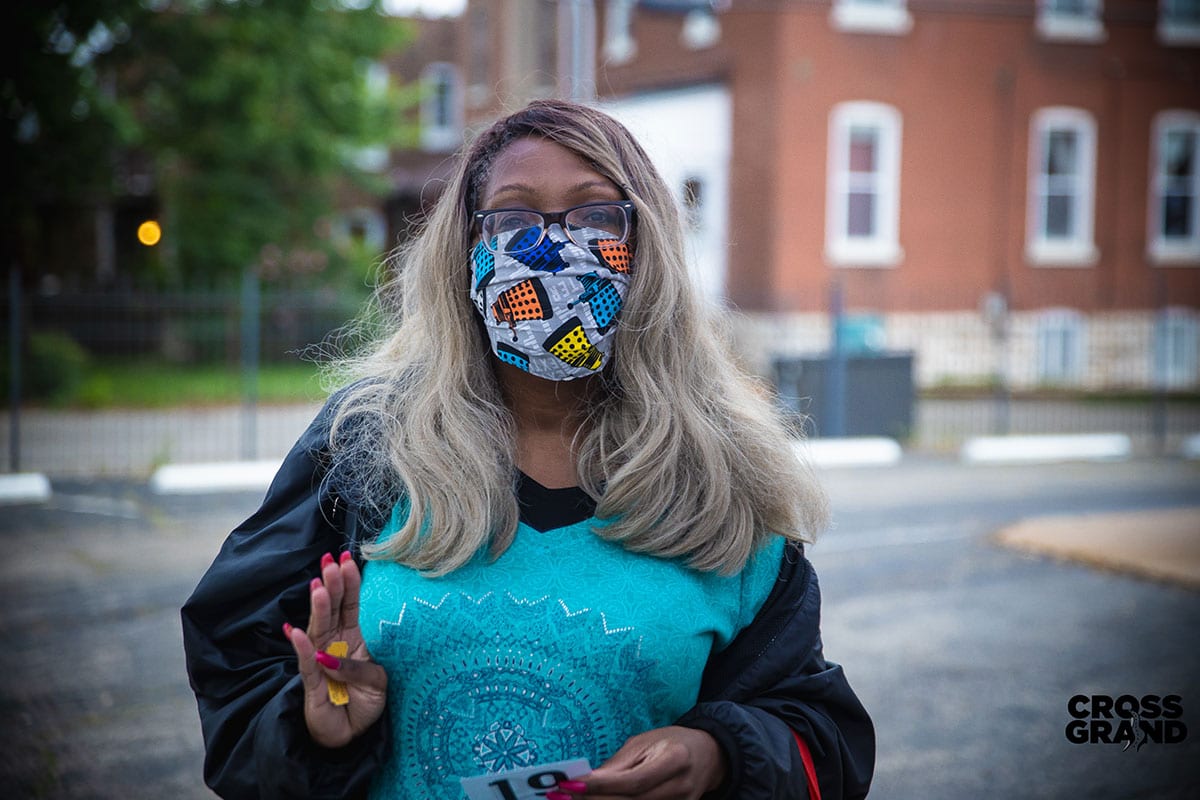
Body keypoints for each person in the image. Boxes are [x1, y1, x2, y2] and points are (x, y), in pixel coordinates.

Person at [182, 99, 874, 800]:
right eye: (513, 218)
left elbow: (818, 733)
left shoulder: (720, 477)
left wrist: (721, 753)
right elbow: (237, 664)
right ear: (466, 249)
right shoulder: (370, 447)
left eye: (594, 215)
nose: (552, 246)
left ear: (647, 244)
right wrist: (318, 729)